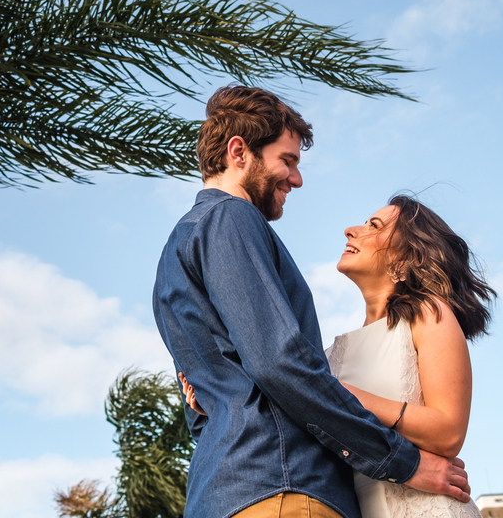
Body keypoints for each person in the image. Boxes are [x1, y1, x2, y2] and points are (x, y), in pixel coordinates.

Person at [153, 85, 471, 518]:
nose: (296, 178)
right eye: (287, 160)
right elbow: (280, 364)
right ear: (238, 151)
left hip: (222, 493)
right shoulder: (232, 217)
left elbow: (202, 414)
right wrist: (405, 462)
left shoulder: (172, 258)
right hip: (284, 489)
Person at [187, 195, 495, 518]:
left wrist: (338, 395)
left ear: (405, 260)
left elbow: (448, 432)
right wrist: (217, 396)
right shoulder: (330, 355)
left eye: (373, 226)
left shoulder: (429, 314)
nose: (351, 231)